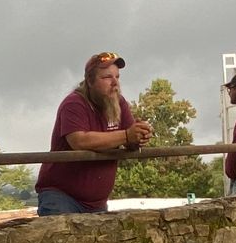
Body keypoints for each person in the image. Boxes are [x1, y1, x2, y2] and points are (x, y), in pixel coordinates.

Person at [34, 53, 152, 215]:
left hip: (97, 203)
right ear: (90, 81)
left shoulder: (119, 102)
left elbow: (130, 138)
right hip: (61, 197)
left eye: (117, 76)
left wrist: (139, 136)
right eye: (107, 77)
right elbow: (79, 141)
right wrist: (126, 135)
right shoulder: (74, 103)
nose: (115, 83)